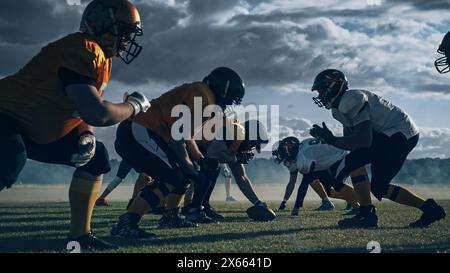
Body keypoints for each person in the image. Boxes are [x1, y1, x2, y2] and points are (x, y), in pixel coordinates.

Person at [0, 0, 150, 250]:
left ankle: (79, 235)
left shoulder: (101, 57)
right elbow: (97, 113)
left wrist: (85, 135)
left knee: (96, 157)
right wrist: (134, 106)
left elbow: (81, 107)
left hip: (34, 127)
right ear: (102, 25)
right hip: (7, 115)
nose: (126, 40)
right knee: (9, 158)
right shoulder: (83, 48)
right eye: (123, 33)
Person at [110, 67, 245, 237]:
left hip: (149, 132)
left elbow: (187, 135)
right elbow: (177, 137)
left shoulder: (206, 99)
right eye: (230, 99)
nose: (229, 105)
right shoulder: (202, 95)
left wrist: (199, 159)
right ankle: (127, 222)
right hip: (141, 128)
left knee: (184, 175)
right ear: (223, 90)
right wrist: (189, 164)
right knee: (174, 175)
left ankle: (170, 216)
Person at [310, 69, 446, 228]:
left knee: (353, 161)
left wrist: (332, 140)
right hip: (397, 134)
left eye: (321, 90)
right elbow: (353, 142)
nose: (320, 95)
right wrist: (335, 144)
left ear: (334, 86)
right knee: (379, 187)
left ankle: (366, 214)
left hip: (399, 133)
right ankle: (430, 209)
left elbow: (363, 140)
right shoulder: (338, 109)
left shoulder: (351, 99)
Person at [182, 118, 271, 223]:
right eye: (254, 143)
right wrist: (236, 158)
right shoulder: (233, 133)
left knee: (213, 166)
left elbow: (242, 177)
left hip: (198, 153)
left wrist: (257, 202)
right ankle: (195, 209)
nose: (252, 147)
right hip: (189, 151)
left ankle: (201, 207)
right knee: (212, 166)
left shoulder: (237, 139)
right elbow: (213, 153)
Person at [273, 137, 361, 216]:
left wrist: (296, 208)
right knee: (327, 191)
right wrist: (284, 201)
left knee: (337, 183)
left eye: (282, 155)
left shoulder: (302, 157)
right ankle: (354, 204)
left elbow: (305, 182)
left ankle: (364, 204)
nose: (284, 160)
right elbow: (292, 181)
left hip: (340, 155)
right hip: (329, 160)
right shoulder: (301, 149)